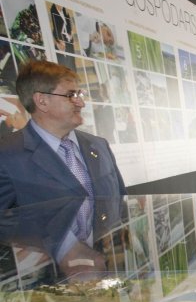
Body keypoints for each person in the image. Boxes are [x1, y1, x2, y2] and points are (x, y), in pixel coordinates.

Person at [0, 61, 126, 210]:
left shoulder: (99, 145)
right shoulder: (6, 156)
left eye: (79, 94)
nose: (81, 103)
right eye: (71, 95)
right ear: (42, 101)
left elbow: (119, 204)